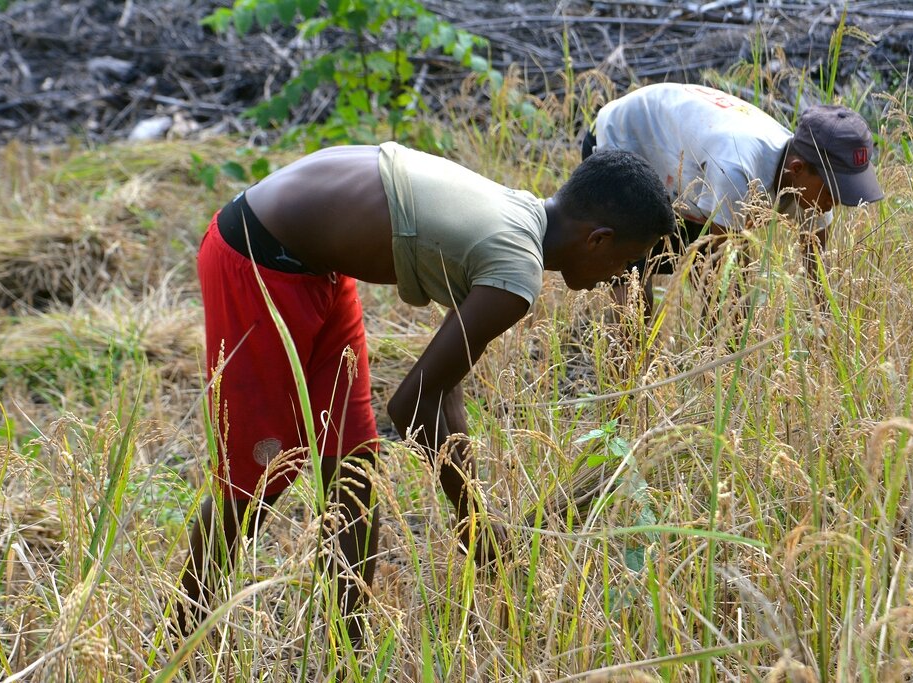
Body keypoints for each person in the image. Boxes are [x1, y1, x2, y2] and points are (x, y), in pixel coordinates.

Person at [176, 142, 674, 642]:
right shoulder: (515, 270)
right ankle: (181, 637)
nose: (623, 277)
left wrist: (476, 518)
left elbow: (443, 386)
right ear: (598, 239)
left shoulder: (519, 215)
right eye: (628, 261)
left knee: (353, 466)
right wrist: (477, 530)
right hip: (258, 255)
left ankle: (345, 651)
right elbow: (412, 404)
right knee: (261, 469)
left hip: (315, 264)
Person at [583, 82, 884, 322]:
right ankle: (622, 387)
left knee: (724, 294)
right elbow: (723, 278)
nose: (835, 203)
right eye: (834, 192)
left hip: (686, 169)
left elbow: (815, 265)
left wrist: (826, 321)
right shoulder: (737, 170)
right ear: (797, 169)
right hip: (625, 140)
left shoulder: (810, 184)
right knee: (635, 288)